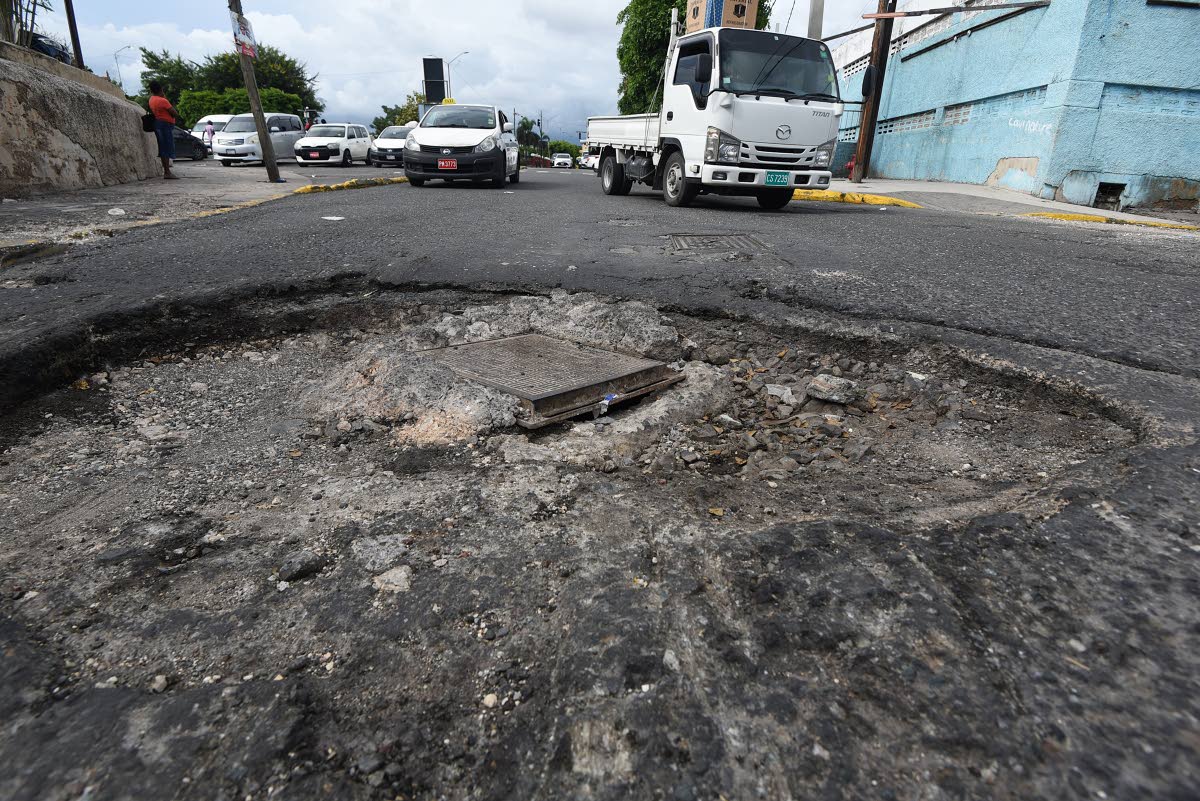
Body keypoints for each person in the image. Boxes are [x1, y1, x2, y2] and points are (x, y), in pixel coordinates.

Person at [147, 81, 179, 179]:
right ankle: (167, 172)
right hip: (165, 125)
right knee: (166, 147)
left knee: (163, 147)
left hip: (158, 123)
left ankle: (166, 171)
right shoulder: (163, 101)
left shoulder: (151, 99)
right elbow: (174, 113)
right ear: (161, 89)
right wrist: (164, 97)